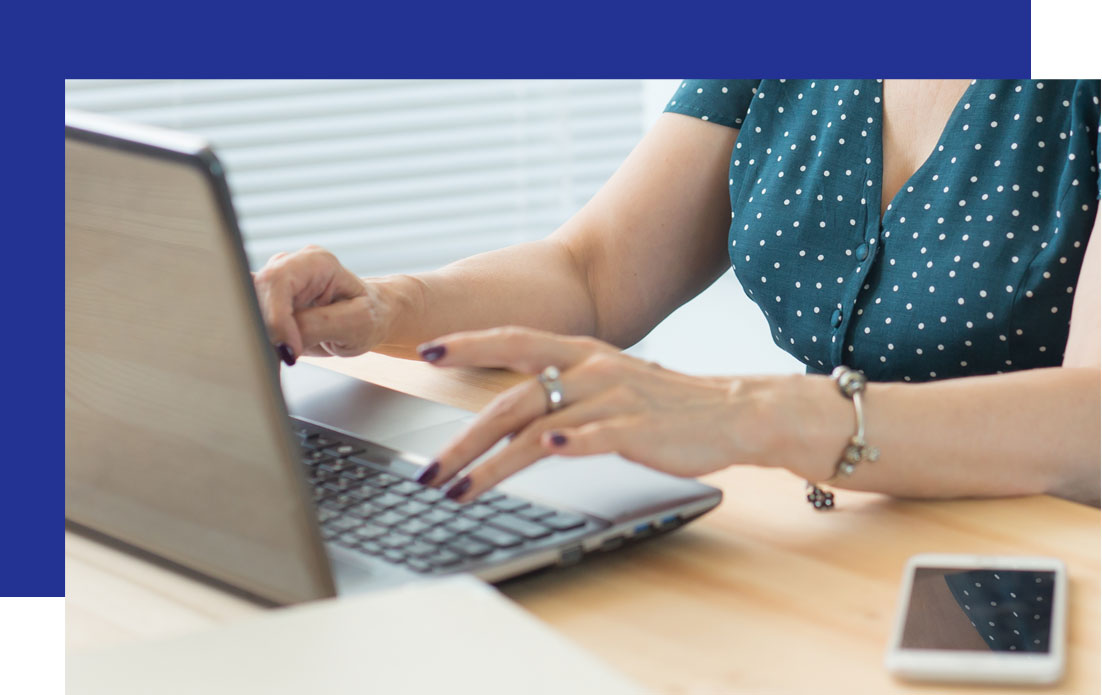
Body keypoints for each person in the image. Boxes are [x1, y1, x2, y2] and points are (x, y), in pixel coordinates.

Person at [253, 79, 1101, 509]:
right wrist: (385, 307)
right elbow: (594, 269)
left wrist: (754, 416)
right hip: (858, 538)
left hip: (1053, 567)